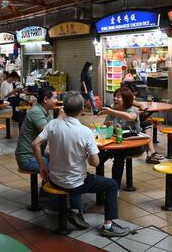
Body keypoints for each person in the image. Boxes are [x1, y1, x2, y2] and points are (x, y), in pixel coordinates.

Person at [32, 91, 130, 237]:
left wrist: (42, 167)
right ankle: (108, 226)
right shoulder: (85, 132)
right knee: (111, 185)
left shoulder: (52, 124)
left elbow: (35, 144)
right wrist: (86, 155)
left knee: (77, 176)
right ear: (82, 110)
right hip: (75, 182)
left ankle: (76, 211)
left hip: (54, 179)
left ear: (63, 108)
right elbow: (95, 163)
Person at [98, 87, 145, 188]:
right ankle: (111, 184)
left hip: (135, 146)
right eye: (114, 96)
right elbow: (105, 128)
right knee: (116, 152)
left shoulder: (133, 110)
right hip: (118, 143)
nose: (115, 98)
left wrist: (111, 111)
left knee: (119, 154)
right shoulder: (113, 110)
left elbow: (130, 117)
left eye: (118, 97)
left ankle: (115, 187)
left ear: (126, 99)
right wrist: (107, 125)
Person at [124, 83, 164, 164]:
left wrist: (140, 110)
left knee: (145, 124)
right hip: (124, 125)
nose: (134, 97)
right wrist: (138, 111)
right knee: (145, 125)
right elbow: (129, 114)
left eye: (135, 95)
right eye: (132, 95)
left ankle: (150, 153)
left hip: (130, 123)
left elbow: (137, 106)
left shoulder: (129, 99)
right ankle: (151, 153)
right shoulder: (124, 99)